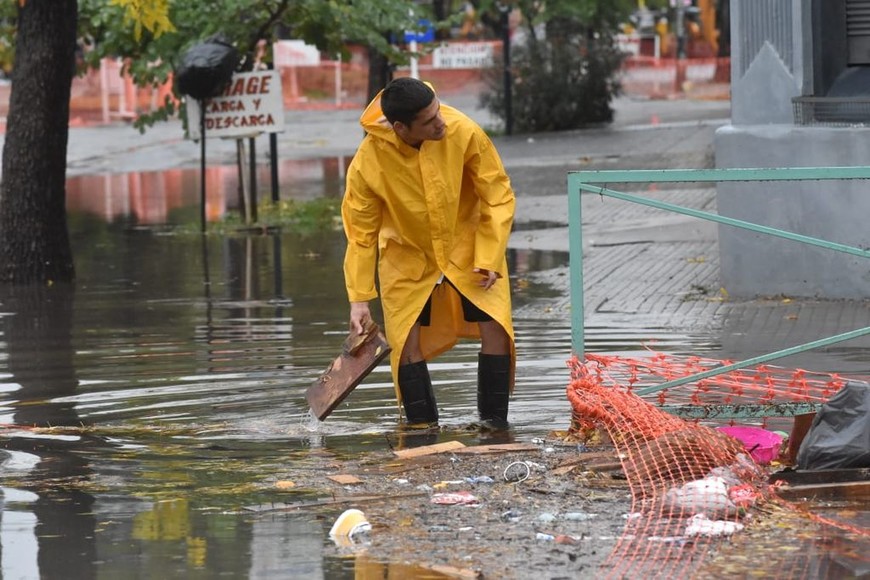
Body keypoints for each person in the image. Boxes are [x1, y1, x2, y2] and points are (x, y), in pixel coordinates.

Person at [341, 77, 516, 427]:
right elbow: (361, 233)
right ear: (401, 128)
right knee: (405, 341)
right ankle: (422, 431)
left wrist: (489, 254)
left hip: (469, 246)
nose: (441, 122)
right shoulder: (367, 162)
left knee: (496, 326)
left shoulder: (463, 130)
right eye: (430, 121)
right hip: (406, 256)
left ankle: (494, 427)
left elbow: (497, 194)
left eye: (438, 111)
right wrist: (359, 299)